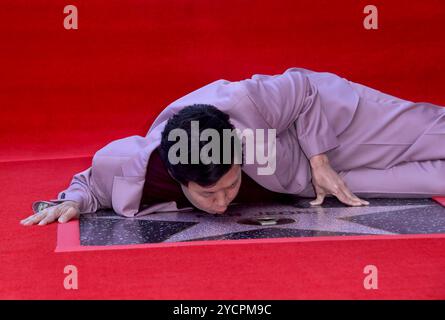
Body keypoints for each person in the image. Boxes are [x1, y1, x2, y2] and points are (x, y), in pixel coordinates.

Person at [21, 67, 445, 226]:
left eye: (230, 184)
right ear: (178, 176)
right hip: (311, 185)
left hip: (342, 126)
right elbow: (92, 183)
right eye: (209, 194)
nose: (223, 203)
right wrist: (73, 200)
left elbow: (302, 88)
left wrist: (319, 159)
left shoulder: (241, 100)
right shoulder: (144, 164)